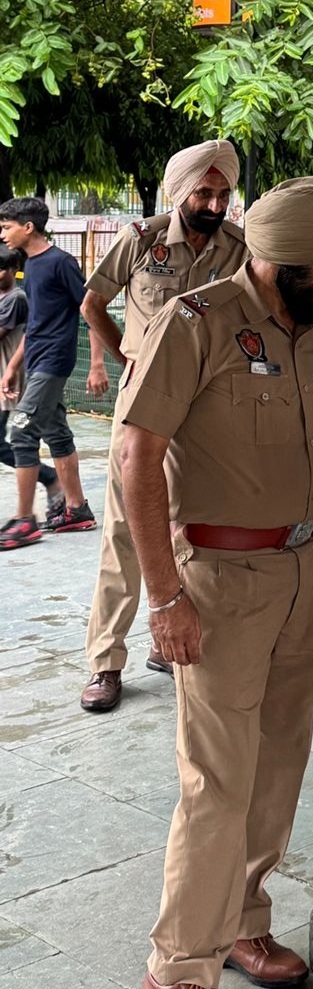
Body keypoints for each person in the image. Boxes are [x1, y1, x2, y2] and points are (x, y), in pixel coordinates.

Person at [122, 176, 313, 989]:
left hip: (304, 572)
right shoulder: (195, 323)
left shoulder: (312, 327)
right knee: (217, 784)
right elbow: (134, 455)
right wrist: (164, 596)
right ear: (290, 256)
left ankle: (243, 923)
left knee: (277, 770)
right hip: (220, 583)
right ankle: (179, 967)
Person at [79, 139, 247, 714]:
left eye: (224, 193)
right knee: (126, 530)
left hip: (207, 406)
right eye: (205, 192)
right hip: (142, 406)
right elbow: (92, 304)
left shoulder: (239, 249)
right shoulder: (142, 240)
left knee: (190, 525)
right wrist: (124, 361)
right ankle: (105, 661)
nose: (215, 203)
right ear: (181, 191)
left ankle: (172, 634)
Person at [0, 197, 94, 549]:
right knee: (57, 434)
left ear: (28, 227)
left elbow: (90, 309)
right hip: (36, 360)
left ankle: (26, 521)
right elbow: (36, 324)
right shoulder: (31, 265)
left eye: (7, 226)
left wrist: (97, 363)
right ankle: (77, 509)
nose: (2, 233)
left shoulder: (60, 262)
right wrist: (12, 366)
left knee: (22, 434)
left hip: (54, 361)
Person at [0, 245, 60, 505]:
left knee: (28, 436)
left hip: (9, 378)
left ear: (14, 270)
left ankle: (50, 478)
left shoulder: (16, 299)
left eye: (2, 268)